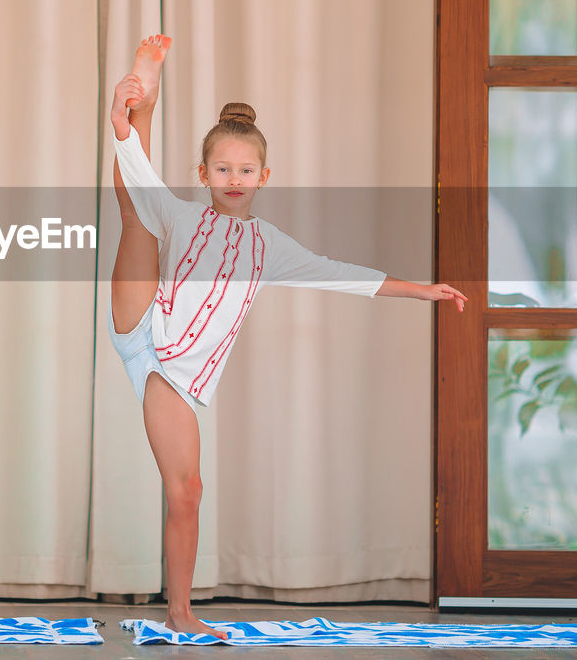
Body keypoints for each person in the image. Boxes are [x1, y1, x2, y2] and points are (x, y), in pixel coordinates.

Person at [107, 34, 467, 638]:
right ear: (204, 174)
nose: (234, 178)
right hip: (144, 321)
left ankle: (179, 612)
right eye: (222, 169)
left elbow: (343, 276)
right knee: (137, 202)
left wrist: (424, 290)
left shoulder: (270, 247)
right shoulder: (185, 214)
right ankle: (146, 89)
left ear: (263, 175)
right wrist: (123, 116)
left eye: (245, 170)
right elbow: (137, 170)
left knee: (188, 490)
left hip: (175, 374)